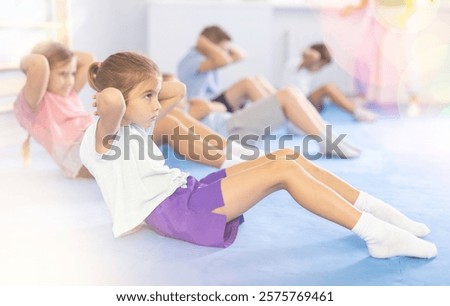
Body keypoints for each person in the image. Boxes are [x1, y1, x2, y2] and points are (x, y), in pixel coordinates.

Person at [80, 51, 437, 259]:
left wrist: (147, 89)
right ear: (118, 100)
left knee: (287, 157)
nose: (158, 105)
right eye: (148, 97)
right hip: (177, 212)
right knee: (284, 174)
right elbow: (111, 104)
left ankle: (376, 211)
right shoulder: (104, 137)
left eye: (154, 96)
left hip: (186, 194)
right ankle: (376, 233)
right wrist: (110, 93)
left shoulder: (136, 123)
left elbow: (179, 89)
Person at [13, 41, 95, 178]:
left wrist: (65, 58)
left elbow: (88, 59)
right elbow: (38, 63)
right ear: (44, 74)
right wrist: (22, 62)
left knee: (132, 148)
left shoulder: (69, 92)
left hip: (91, 139)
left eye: (73, 73)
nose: (70, 81)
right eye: (63, 74)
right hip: (75, 153)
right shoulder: (35, 103)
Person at [341, 0, 434, 117]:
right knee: (362, 56)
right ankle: (361, 96)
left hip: (402, 14)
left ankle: (414, 99)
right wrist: (357, 7)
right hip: (378, 14)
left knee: (406, 59)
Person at [177, 25, 276, 112]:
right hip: (204, 104)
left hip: (216, 100)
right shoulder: (191, 61)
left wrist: (223, 45)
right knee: (247, 83)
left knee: (258, 79)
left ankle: (281, 107)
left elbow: (241, 55)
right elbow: (223, 60)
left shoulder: (210, 59)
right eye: (221, 49)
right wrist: (203, 42)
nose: (224, 52)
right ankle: (274, 114)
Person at [281, 43, 378, 122]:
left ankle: (352, 104)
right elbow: (314, 56)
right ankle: (358, 112)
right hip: (294, 106)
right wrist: (309, 51)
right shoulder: (296, 64)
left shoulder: (307, 74)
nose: (320, 69)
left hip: (304, 103)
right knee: (328, 87)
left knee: (332, 94)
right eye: (320, 65)